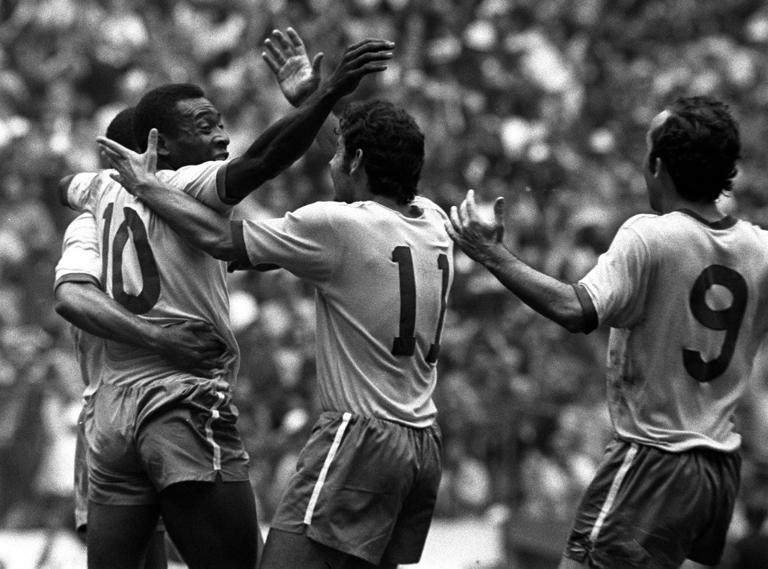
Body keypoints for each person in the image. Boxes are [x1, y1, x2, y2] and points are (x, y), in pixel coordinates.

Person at [59, 37, 394, 569]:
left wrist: (104, 181)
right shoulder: (185, 183)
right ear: (156, 145)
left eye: (220, 123)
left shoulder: (100, 192)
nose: (222, 137)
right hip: (177, 399)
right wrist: (327, 93)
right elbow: (263, 159)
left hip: (110, 420)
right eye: (204, 128)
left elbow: (66, 184)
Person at [98, 95, 453, 569]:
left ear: (358, 161)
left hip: (359, 437)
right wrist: (312, 98)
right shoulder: (434, 219)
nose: (329, 160)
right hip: (422, 443)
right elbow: (380, 152)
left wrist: (146, 186)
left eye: (337, 150)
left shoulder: (335, 224)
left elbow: (220, 240)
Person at [446, 95, 768, 569]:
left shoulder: (651, 236)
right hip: (717, 468)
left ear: (658, 166)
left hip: (654, 457)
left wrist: (492, 254)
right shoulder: (760, 248)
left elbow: (576, 310)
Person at [55, 106, 212, 569]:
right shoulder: (92, 224)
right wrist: (162, 341)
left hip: (174, 406)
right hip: (116, 415)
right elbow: (72, 299)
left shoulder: (182, 224)